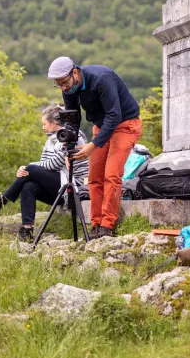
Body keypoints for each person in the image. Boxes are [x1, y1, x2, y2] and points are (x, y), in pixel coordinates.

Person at [47, 57, 141, 238]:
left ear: (74, 72)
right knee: (94, 177)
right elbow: (73, 121)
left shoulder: (101, 79)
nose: (63, 88)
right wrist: (70, 148)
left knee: (111, 175)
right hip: (101, 126)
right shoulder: (69, 89)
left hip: (125, 124)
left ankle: (108, 226)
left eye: (64, 83)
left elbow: (114, 115)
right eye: (58, 85)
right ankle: (96, 225)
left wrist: (93, 146)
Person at [0, 104, 89, 242]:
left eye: (44, 123)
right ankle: (26, 230)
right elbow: (44, 163)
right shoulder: (50, 140)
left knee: (31, 170)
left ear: (55, 122)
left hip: (74, 187)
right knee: (29, 185)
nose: (43, 127)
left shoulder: (73, 136)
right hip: (59, 186)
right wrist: (28, 169)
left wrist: (29, 167)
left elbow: (55, 164)